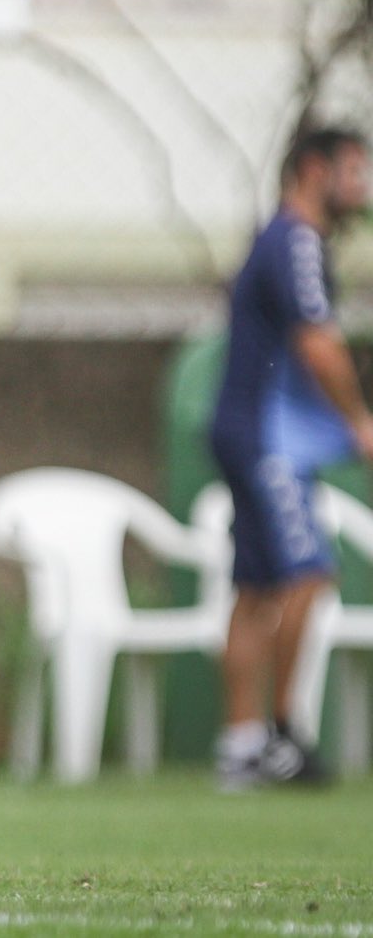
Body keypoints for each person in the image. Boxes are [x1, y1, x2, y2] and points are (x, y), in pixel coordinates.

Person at [208, 125, 372, 789]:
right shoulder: (297, 241)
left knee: (256, 588)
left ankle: (241, 746)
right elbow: (319, 343)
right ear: (313, 170)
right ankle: (281, 737)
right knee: (307, 574)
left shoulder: (278, 239)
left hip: (241, 430)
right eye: (353, 170)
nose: (361, 186)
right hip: (265, 439)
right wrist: (359, 421)